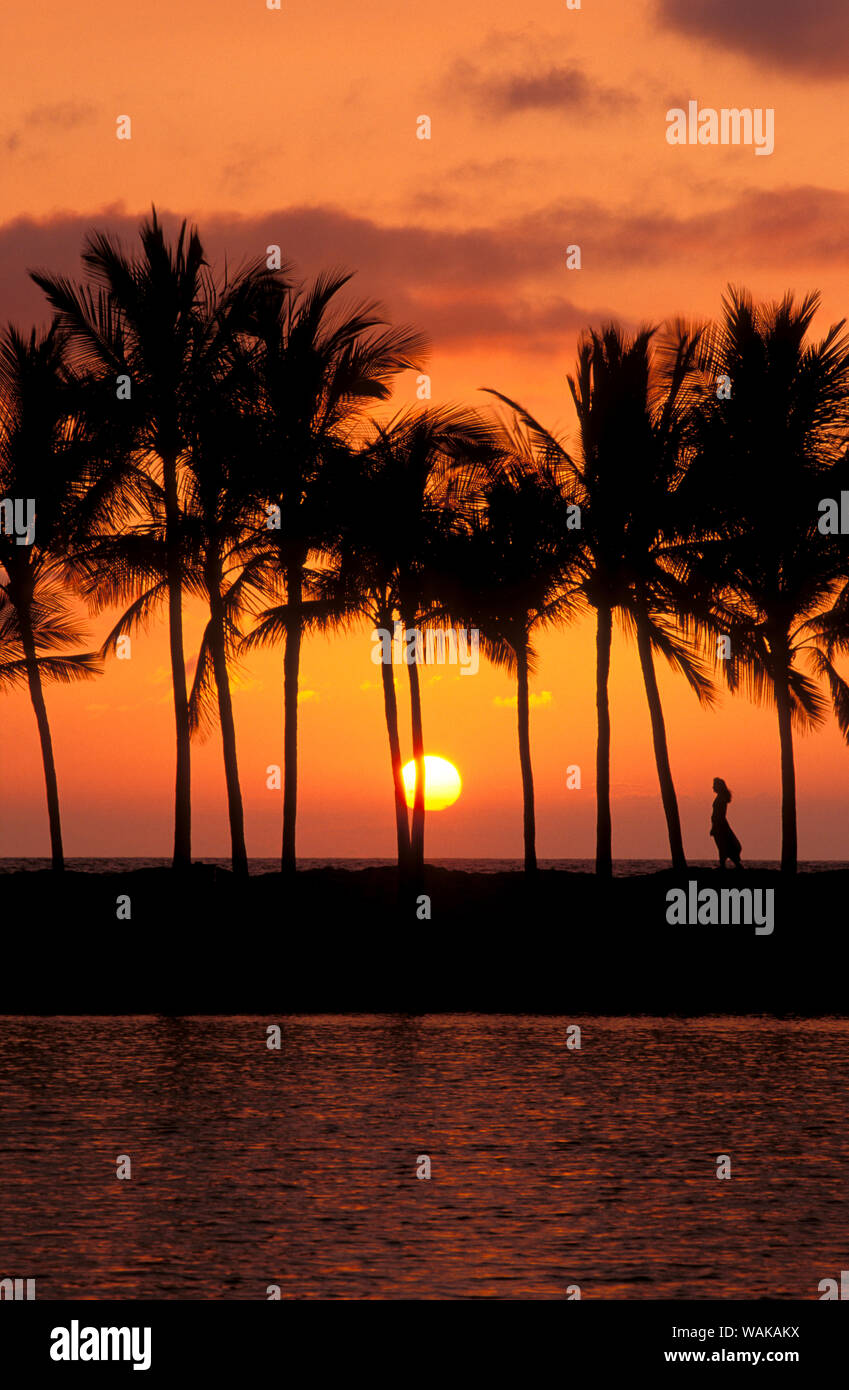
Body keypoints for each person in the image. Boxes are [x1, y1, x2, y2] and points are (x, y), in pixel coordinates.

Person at [710, 777, 742, 869]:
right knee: (724, 844)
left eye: (714, 785)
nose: (713, 787)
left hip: (720, 824)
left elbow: (719, 814)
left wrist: (715, 826)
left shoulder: (721, 799)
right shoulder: (721, 798)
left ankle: (723, 865)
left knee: (722, 844)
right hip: (720, 823)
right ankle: (733, 864)